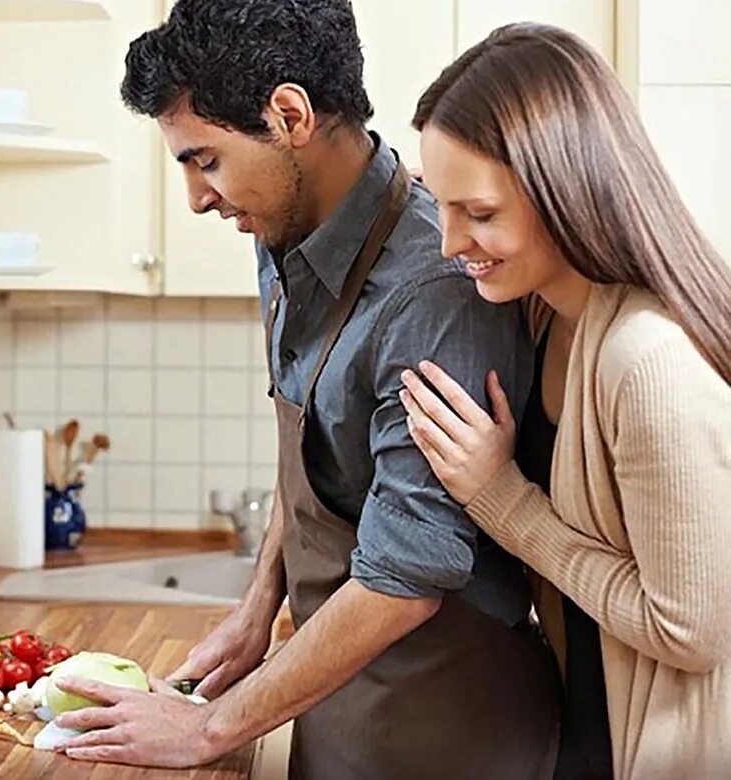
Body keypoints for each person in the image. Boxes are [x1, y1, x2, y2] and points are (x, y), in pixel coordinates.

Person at [50, 2, 561, 777]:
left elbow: (407, 577)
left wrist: (204, 730)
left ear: (289, 116)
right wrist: (260, 608)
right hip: (343, 708)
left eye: (206, 160)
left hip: (448, 731)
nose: (195, 197)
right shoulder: (281, 233)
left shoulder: (432, 288)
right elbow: (318, 455)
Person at [400, 22, 731, 780]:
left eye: (478, 213)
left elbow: (690, 631)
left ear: (566, 189)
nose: (451, 241)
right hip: (583, 720)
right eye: (439, 203)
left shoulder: (647, 360)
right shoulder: (547, 316)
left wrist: (501, 500)